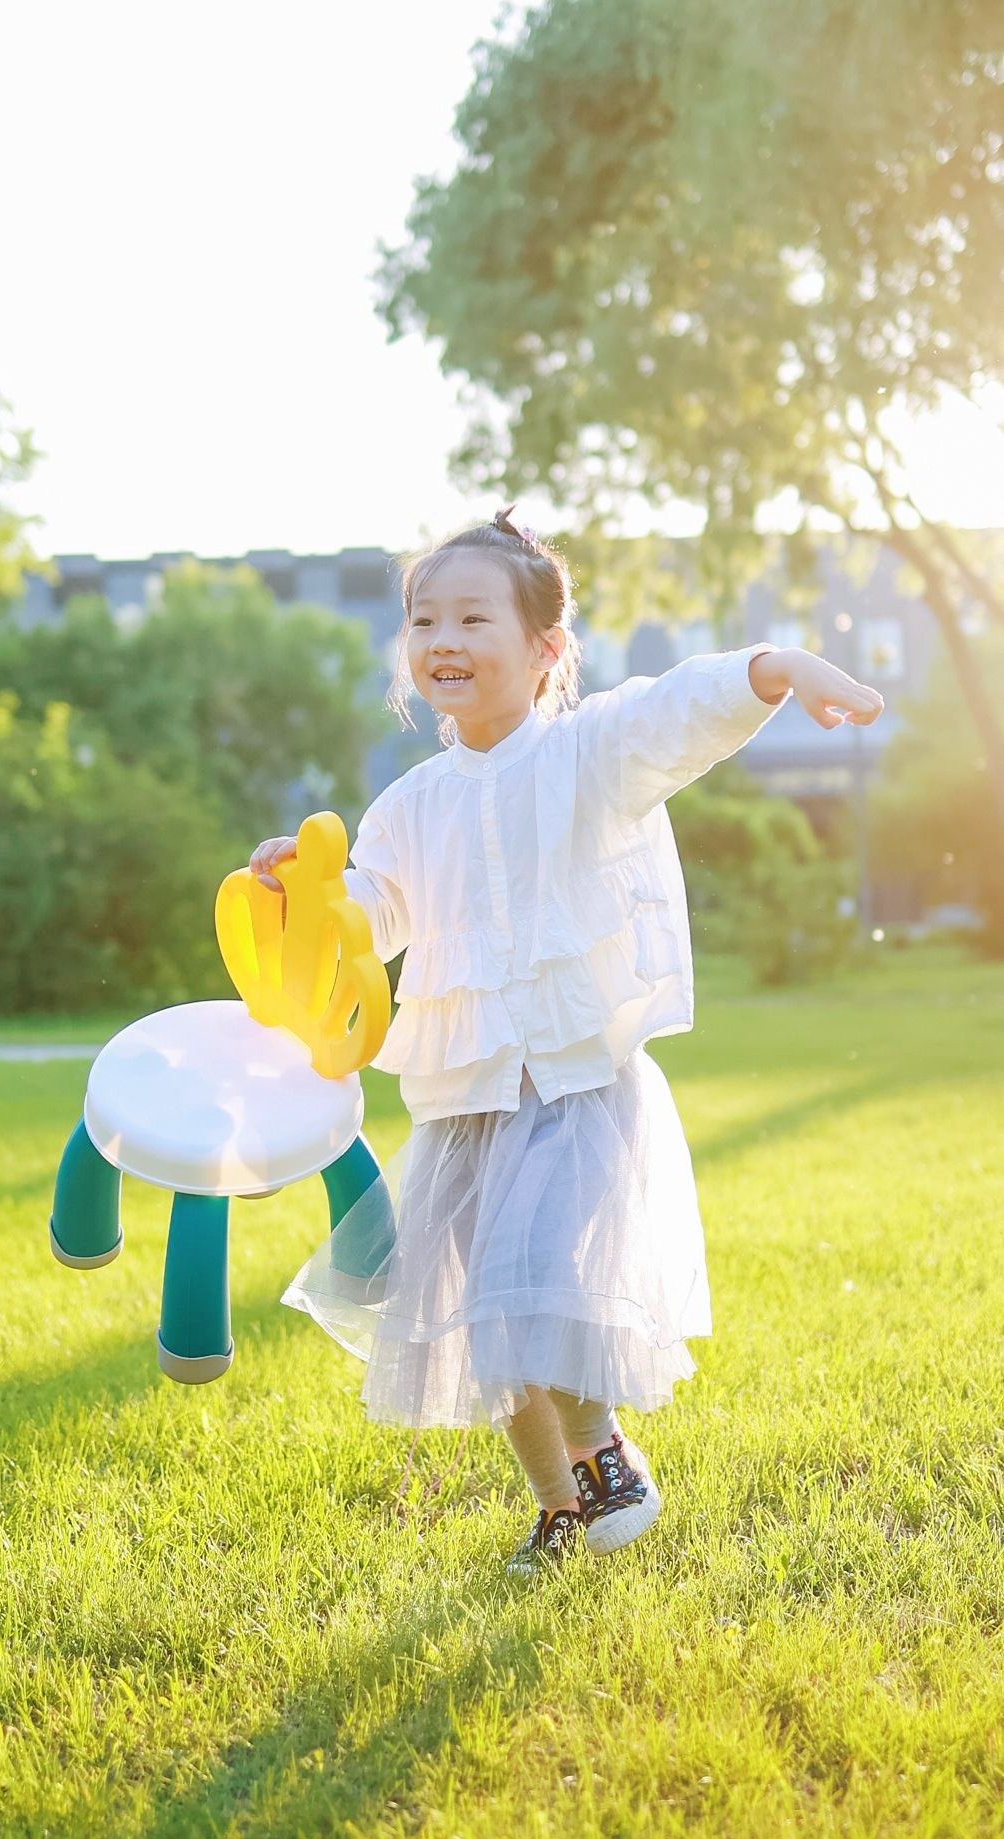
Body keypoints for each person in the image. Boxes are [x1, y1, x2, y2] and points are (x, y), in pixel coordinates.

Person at [249, 507, 883, 1576]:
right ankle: (555, 1506)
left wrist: (777, 665)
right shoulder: (408, 805)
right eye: (421, 618)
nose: (440, 637)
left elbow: (674, 709)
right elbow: (377, 916)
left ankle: (599, 1444)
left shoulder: (590, 753)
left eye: (469, 616)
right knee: (484, 1324)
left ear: (545, 647)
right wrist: (307, 890)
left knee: (527, 1280)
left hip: (572, 1079)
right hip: (464, 1095)